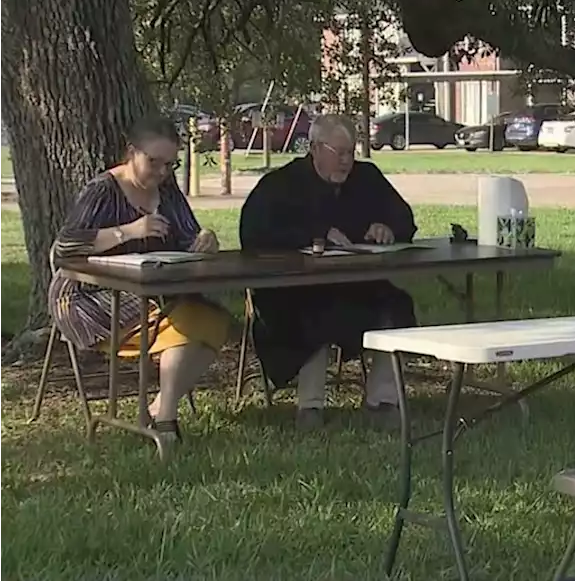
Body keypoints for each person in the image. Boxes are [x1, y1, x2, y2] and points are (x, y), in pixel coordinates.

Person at [49, 116, 233, 443]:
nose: (162, 172)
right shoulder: (102, 190)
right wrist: (129, 231)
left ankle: (161, 409)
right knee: (191, 322)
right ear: (131, 152)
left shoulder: (167, 191)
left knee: (215, 322)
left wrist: (204, 239)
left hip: (151, 292)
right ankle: (165, 424)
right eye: (153, 162)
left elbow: (189, 236)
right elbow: (65, 246)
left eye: (169, 164)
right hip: (85, 296)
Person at [239, 114, 417, 430]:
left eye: (351, 152)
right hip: (293, 288)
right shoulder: (281, 184)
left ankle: (383, 400)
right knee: (311, 315)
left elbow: (404, 218)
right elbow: (253, 233)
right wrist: (316, 234)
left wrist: (388, 228)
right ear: (316, 148)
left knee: (396, 305)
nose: (347, 161)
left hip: (354, 284)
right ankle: (310, 407)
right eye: (340, 153)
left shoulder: (368, 177)